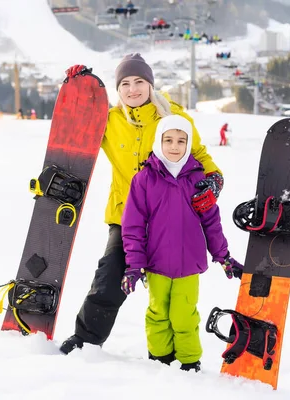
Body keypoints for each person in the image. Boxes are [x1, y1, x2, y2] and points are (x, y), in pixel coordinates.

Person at [59, 53, 225, 355]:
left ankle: (172, 355)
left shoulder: (172, 117)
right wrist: (77, 86)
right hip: (126, 217)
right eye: (124, 83)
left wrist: (214, 180)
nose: (132, 89)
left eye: (139, 82)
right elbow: (78, 124)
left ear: (150, 85)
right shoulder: (110, 122)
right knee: (109, 278)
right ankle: (86, 339)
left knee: (171, 292)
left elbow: (199, 154)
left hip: (170, 218)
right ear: (118, 89)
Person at [120, 115, 243, 372]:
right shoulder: (143, 180)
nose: (174, 146)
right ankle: (160, 357)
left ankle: (189, 360)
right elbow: (132, 226)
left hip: (189, 264)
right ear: (158, 141)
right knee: (158, 314)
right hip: (156, 264)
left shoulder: (198, 180)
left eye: (180, 141)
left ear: (188, 144)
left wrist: (223, 256)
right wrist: (134, 266)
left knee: (184, 315)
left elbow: (212, 222)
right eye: (168, 140)